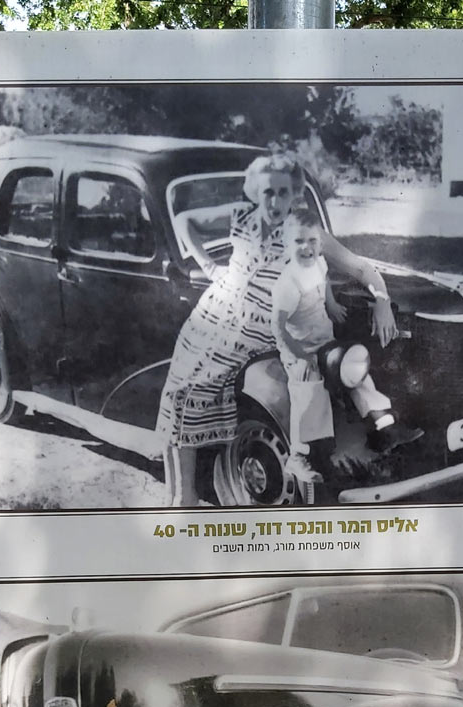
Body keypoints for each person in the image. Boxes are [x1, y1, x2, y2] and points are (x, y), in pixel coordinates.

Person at [155, 152, 397, 506]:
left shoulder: (308, 235)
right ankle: (176, 495)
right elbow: (185, 221)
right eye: (268, 192)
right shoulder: (240, 216)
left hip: (253, 332)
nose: (275, 201)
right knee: (175, 394)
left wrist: (383, 300)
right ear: (255, 192)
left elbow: (363, 268)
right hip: (209, 316)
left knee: (192, 394)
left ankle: (184, 500)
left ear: (295, 195)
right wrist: (210, 267)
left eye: (284, 193)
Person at [273, 205, 423, 483]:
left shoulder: (316, 261)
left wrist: (331, 303)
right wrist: (296, 355)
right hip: (300, 348)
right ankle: (299, 456)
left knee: (356, 371)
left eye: (313, 242)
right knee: (309, 390)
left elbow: (324, 279)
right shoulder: (287, 283)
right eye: (298, 243)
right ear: (285, 245)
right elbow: (278, 327)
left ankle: (384, 425)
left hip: (323, 338)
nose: (307, 248)